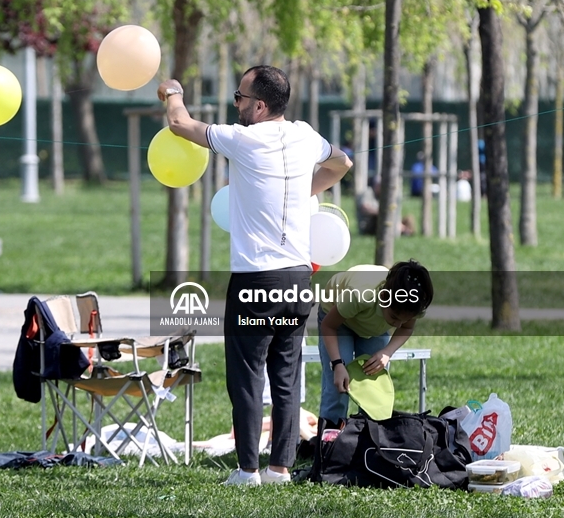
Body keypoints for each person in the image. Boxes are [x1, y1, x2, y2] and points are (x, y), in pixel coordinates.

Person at [158, 67, 352, 486]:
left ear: (259, 105)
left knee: (247, 376)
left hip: (256, 285)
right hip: (299, 280)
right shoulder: (304, 134)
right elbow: (342, 162)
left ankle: (248, 470)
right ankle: (279, 469)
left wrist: (172, 91)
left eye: (239, 98)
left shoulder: (243, 139)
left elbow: (179, 124)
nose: (236, 105)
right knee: (286, 377)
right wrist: (305, 191)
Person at [317, 260, 434, 432]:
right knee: (339, 387)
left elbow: (407, 328)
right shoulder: (360, 294)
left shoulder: (412, 302)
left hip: (373, 326)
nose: (399, 323)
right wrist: (337, 364)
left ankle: (368, 441)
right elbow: (329, 326)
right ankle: (327, 445)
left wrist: (387, 352)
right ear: (385, 298)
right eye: (395, 318)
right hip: (337, 321)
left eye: (404, 319)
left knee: (374, 387)